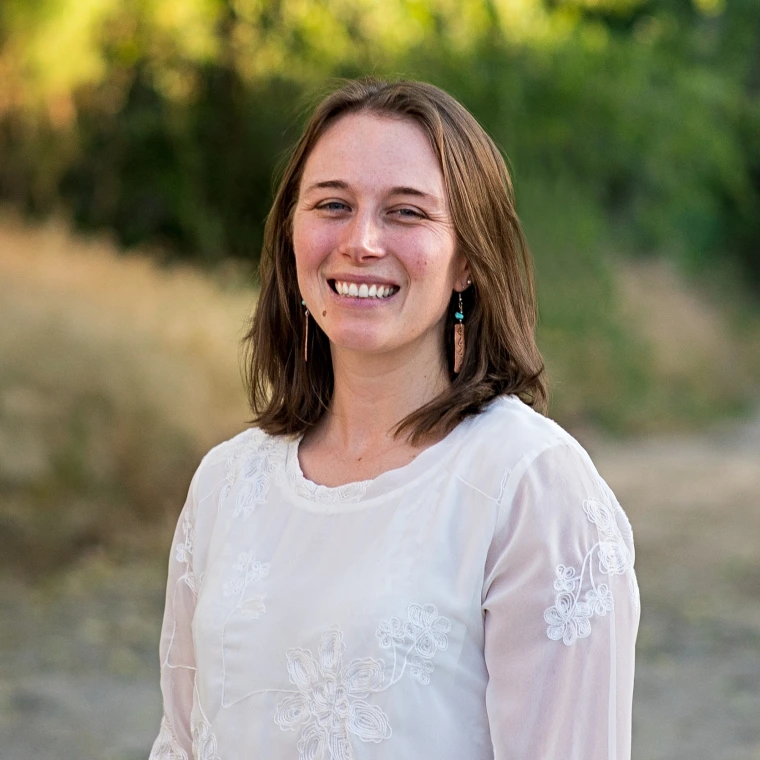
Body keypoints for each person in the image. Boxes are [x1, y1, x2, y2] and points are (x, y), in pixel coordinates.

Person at [149, 78, 639, 760]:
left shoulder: (531, 489)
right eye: (332, 205)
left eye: (406, 213)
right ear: (292, 234)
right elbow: (181, 740)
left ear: (467, 257)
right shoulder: (229, 483)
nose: (361, 241)